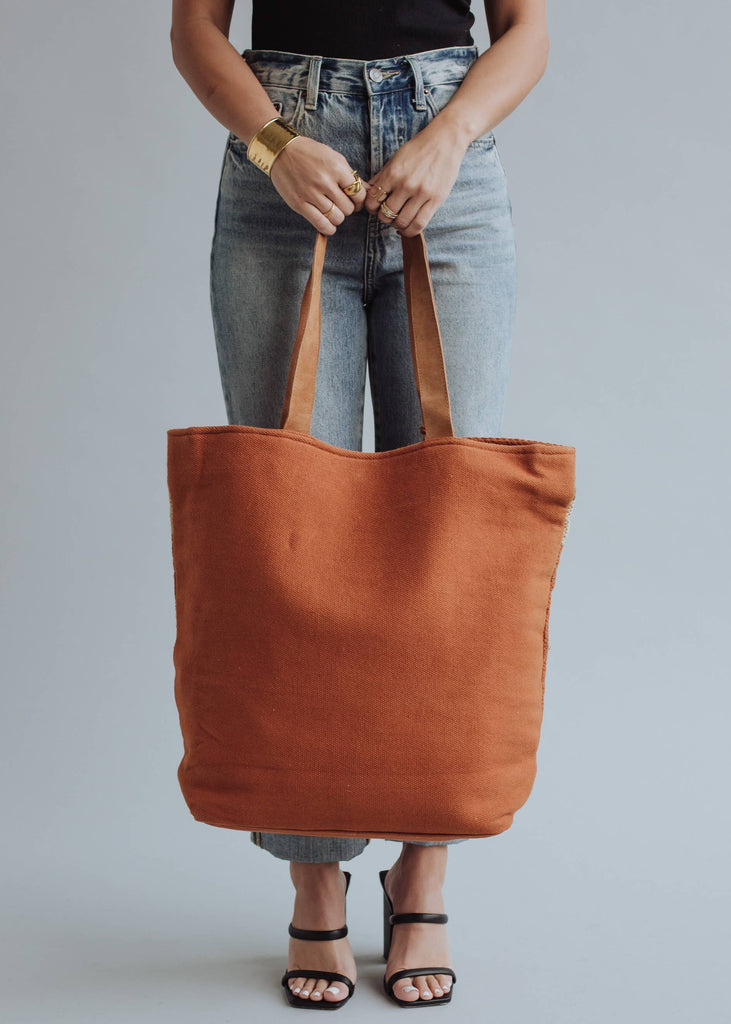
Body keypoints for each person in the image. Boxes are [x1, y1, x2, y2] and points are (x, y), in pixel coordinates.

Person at [170, 0, 550, 1008]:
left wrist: (450, 136)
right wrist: (274, 143)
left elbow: (526, 28)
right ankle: (314, 880)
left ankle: (421, 872)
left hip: (446, 162)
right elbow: (194, 27)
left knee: (452, 542)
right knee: (287, 542)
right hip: (281, 172)